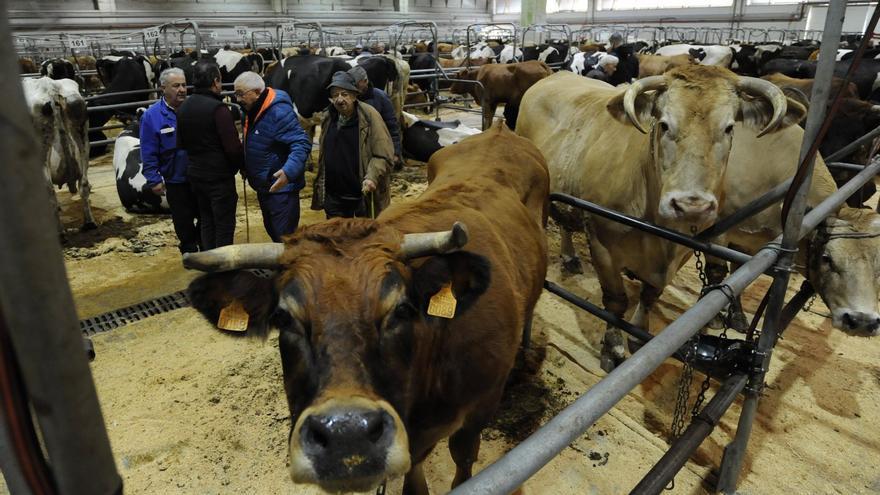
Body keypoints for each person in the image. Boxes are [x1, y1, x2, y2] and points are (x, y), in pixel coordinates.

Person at [233, 71, 312, 241]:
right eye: (235, 94)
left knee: (284, 237)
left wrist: (288, 172)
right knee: (273, 232)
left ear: (256, 92)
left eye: (240, 94)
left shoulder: (278, 112)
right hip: (265, 185)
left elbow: (301, 143)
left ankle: (289, 267)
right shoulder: (251, 109)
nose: (237, 99)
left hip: (281, 189)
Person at [176, 60, 243, 250]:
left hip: (196, 176)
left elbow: (181, 145)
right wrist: (238, 166)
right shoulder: (219, 109)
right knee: (223, 225)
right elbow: (233, 148)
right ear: (215, 82)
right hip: (219, 178)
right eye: (220, 81)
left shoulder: (183, 108)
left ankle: (209, 264)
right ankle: (222, 271)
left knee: (206, 220)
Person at [311, 71, 395, 219]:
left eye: (344, 94)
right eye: (335, 95)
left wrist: (372, 177)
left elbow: (383, 154)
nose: (339, 99)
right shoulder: (328, 117)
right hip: (334, 196)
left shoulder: (370, 116)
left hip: (361, 194)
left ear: (355, 95)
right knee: (337, 236)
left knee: (362, 236)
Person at [140, 67, 200, 253]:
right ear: (163, 89)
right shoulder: (152, 116)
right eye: (176, 86)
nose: (182, 89)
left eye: (183, 85)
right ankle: (189, 250)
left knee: (205, 214)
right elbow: (148, 150)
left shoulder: (194, 108)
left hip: (199, 175)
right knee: (182, 219)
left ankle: (205, 246)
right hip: (175, 178)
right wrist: (153, 178)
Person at [348, 65, 401, 165]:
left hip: (376, 147)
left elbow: (392, 125)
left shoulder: (380, 97)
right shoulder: (350, 99)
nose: (353, 87)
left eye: (356, 83)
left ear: (365, 81)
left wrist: (395, 152)